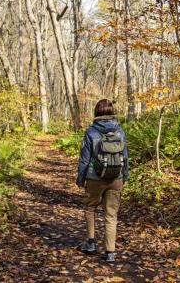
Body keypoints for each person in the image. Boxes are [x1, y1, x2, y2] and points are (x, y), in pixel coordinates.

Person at [76, 99, 129, 263]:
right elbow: (125, 158)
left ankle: (91, 243)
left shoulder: (91, 132)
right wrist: (124, 176)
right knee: (111, 215)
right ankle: (110, 252)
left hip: (94, 178)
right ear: (112, 111)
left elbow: (84, 159)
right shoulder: (120, 131)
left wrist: (80, 178)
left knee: (90, 207)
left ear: (96, 113)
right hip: (116, 178)